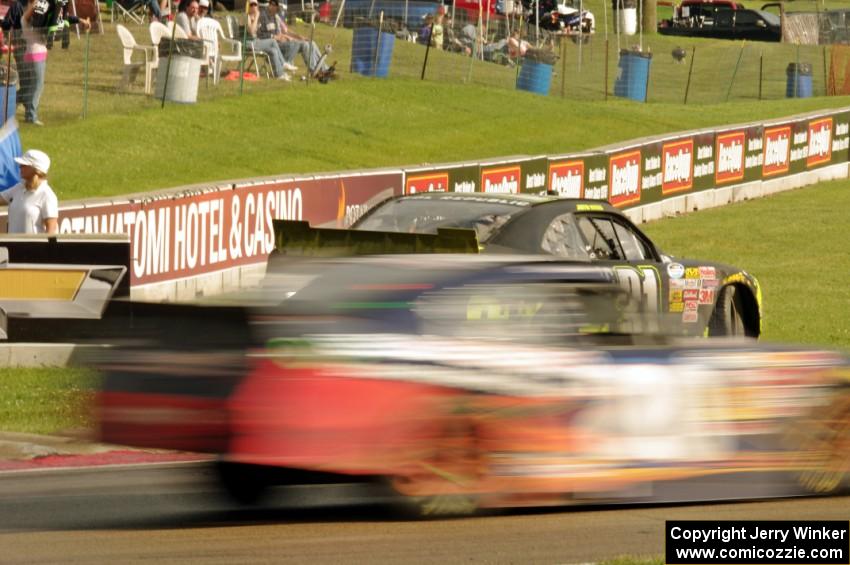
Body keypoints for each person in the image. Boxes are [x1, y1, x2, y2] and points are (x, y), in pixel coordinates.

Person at [264, 0, 331, 77]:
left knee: (311, 42)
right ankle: (314, 70)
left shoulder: (277, 17)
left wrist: (300, 37)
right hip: (280, 44)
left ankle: (324, 68)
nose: (279, 10)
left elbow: (286, 31)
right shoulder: (267, 18)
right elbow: (276, 35)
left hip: (287, 41)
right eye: (278, 8)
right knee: (305, 45)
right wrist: (287, 37)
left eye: (280, 8)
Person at [1, 149, 58, 234]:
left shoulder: (47, 195)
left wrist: (44, 247)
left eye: (24, 165)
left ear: (36, 169)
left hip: (34, 247)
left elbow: (51, 229)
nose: (20, 166)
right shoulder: (18, 188)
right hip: (11, 245)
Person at [246, 0, 290, 80]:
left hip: (257, 42)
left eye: (254, 4)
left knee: (273, 50)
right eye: (251, 5)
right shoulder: (247, 17)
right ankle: (283, 63)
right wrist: (256, 17)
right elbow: (252, 32)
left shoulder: (260, 16)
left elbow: (262, 32)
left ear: (257, 6)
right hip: (249, 43)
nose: (253, 7)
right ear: (248, 7)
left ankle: (279, 74)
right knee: (272, 41)